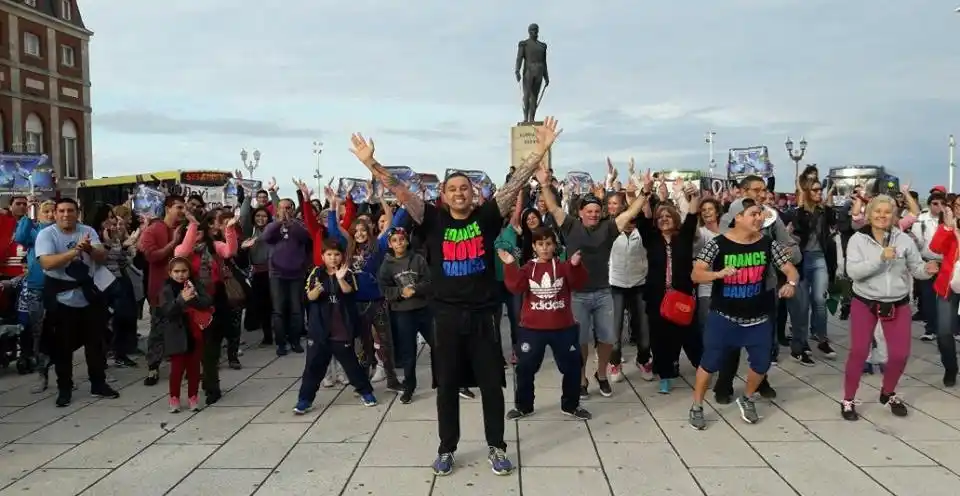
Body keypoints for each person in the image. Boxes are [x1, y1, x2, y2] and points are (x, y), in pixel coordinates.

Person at [348, 117, 562, 477]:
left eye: (465, 188)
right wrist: (371, 164)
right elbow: (401, 193)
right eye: (453, 189)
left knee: (492, 385)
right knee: (447, 386)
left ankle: (496, 445)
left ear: (473, 193)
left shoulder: (488, 215)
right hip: (445, 317)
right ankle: (447, 448)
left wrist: (540, 150)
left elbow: (515, 183)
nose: (460, 193)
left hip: (484, 317)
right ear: (443, 196)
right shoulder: (431, 220)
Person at [689, 198, 799, 429]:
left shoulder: (768, 244)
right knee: (709, 363)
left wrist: (790, 282)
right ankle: (697, 406)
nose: (759, 218)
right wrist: (718, 275)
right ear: (737, 217)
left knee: (761, 364)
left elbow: (790, 268)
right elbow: (696, 274)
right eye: (753, 214)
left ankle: (747, 398)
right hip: (724, 317)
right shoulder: (718, 244)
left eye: (760, 213)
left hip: (758, 318)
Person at [537, 166, 647, 398]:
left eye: (597, 210)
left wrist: (645, 193)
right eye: (589, 211)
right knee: (581, 340)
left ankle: (602, 374)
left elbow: (629, 214)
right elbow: (554, 207)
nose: (594, 214)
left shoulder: (609, 227)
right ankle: (582, 378)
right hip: (577, 293)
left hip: (604, 292)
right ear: (581, 212)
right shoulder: (570, 226)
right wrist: (545, 185)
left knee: (608, 338)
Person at [841, 195, 938, 420]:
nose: (882, 216)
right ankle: (848, 399)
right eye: (878, 211)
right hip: (865, 301)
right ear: (869, 213)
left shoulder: (903, 239)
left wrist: (928, 269)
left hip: (897, 303)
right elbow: (853, 273)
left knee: (900, 354)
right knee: (859, 351)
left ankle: (888, 392)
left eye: (887, 212)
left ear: (894, 215)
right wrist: (880, 257)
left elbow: (916, 268)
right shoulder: (858, 239)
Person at [35, 198, 120, 407]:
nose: (66, 215)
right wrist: (74, 252)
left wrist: (90, 249)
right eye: (62, 211)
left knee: (96, 344)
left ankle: (98, 383)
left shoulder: (87, 231)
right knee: (62, 347)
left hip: (89, 296)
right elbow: (46, 262)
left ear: (77, 212)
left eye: (70, 211)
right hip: (61, 298)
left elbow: (102, 257)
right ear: (55, 214)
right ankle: (64, 388)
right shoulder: (47, 234)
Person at [500, 227, 591, 420]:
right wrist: (509, 265)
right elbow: (515, 287)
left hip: (563, 327)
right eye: (540, 244)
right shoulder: (528, 268)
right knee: (525, 367)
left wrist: (575, 265)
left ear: (554, 245)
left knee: (573, 366)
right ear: (534, 246)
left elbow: (579, 283)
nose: (545, 248)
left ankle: (571, 404)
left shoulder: (564, 266)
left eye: (548, 244)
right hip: (532, 329)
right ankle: (524, 406)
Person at [294, 239, 377, 414]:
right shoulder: (316, 273)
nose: (333, 258)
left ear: (342, 256)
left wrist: (340, 279)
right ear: (322, 256)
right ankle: (305, 400)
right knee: (313, 366)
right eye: (329, 255)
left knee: (351, 364)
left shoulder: (348, 273)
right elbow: (309, 297)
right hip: (319, 330)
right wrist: (317, 290)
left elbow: (349, 292)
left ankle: (366, 392)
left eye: (336, 254)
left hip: (341, 329)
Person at [377, 227, 433, 404]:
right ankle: (409, 387)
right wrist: (400, 292)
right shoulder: (386, 265)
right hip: (403, 313)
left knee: (439, 346)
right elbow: (384, 288)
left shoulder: (417, 259)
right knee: (408, 353)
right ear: (390, 244)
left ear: (407, 241)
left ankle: (447, 380)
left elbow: (429, 281)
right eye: (395, 240)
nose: (399, 243)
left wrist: (415, 289)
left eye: (401, 239)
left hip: (423, 309)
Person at [140, 195, 187, 386]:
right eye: (179, 207)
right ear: (168, 208)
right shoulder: (153, 229)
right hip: (160, 290)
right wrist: (173, 242)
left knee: (182, 327)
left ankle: (181, 364)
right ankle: (153, 367)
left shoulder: (184, 229)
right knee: (158, 329)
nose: (182, 211)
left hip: (182, 289)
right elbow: (152, 256)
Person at [157, 257, 213, 413]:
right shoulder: (167, 289)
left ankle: (193, 397)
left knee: (194, 369)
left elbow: (207, 301)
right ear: (170, 272)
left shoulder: (195, 284)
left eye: (184, 271)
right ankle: (174, 398)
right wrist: (181, 299)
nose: (180, 275)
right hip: (176, 335)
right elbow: (167, 311)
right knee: (177, 370)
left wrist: (193, 297)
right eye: (176, 271)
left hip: (195, 332)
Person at [262, 197, 311, 356]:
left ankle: (295, 341)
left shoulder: (299, 225)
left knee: (296, 310)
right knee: (278, 311)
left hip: (296, 274)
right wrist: (279, 223)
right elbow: (266, 237)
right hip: (277, 274)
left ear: (293, 209)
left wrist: (292, 224)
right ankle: (281, 343)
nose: (285, 211)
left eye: (288, 207)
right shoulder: (272, 225)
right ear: (277, 210)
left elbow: (305, 238)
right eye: (282, 208)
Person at [16, 200, 55, 392]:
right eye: (46, 211)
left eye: (52, 211)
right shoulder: (34, 230)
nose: (50, 215)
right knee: (38, 333)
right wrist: (26, 216)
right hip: (36, 288)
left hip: (58, 287)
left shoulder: (60, 232)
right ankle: (42, 374)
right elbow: (20, 237)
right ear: (39, 214)